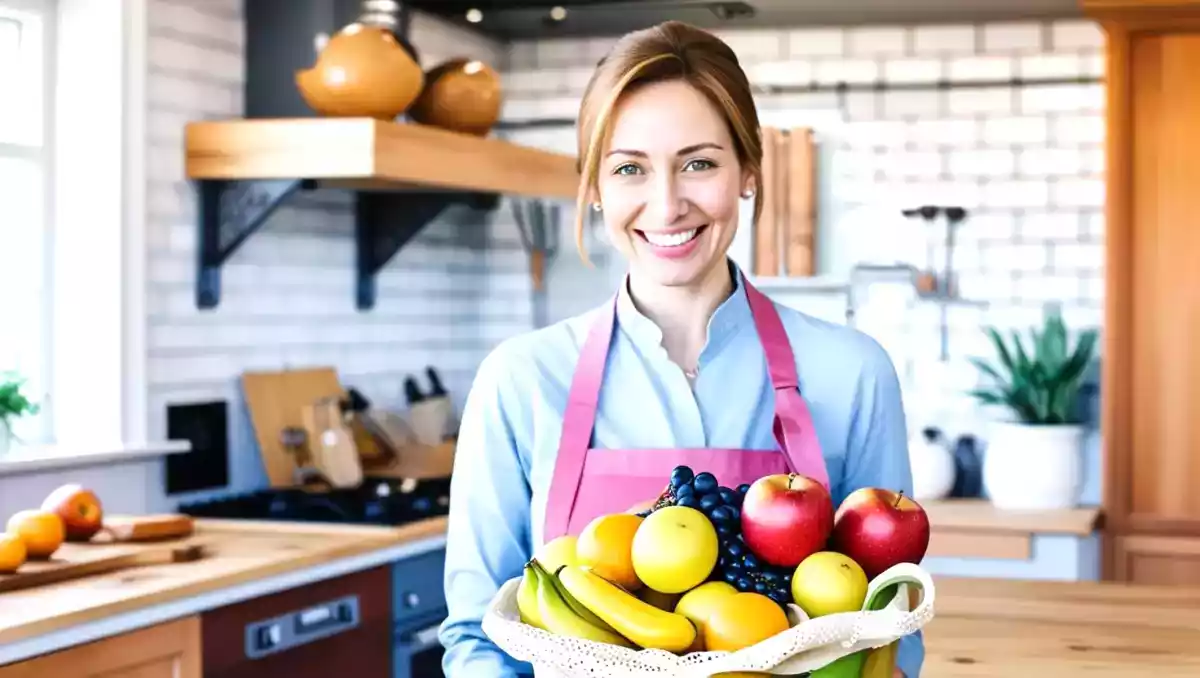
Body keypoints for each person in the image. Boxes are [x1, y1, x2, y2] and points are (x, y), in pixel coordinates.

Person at [438, 20, 924, 678]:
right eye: (630, 168)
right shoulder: (521, 379)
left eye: (699, 163)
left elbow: (891, 626)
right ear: (597, 187)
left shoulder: (851, 374)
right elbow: (478, 637)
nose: (666, 205)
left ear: (748, 170)